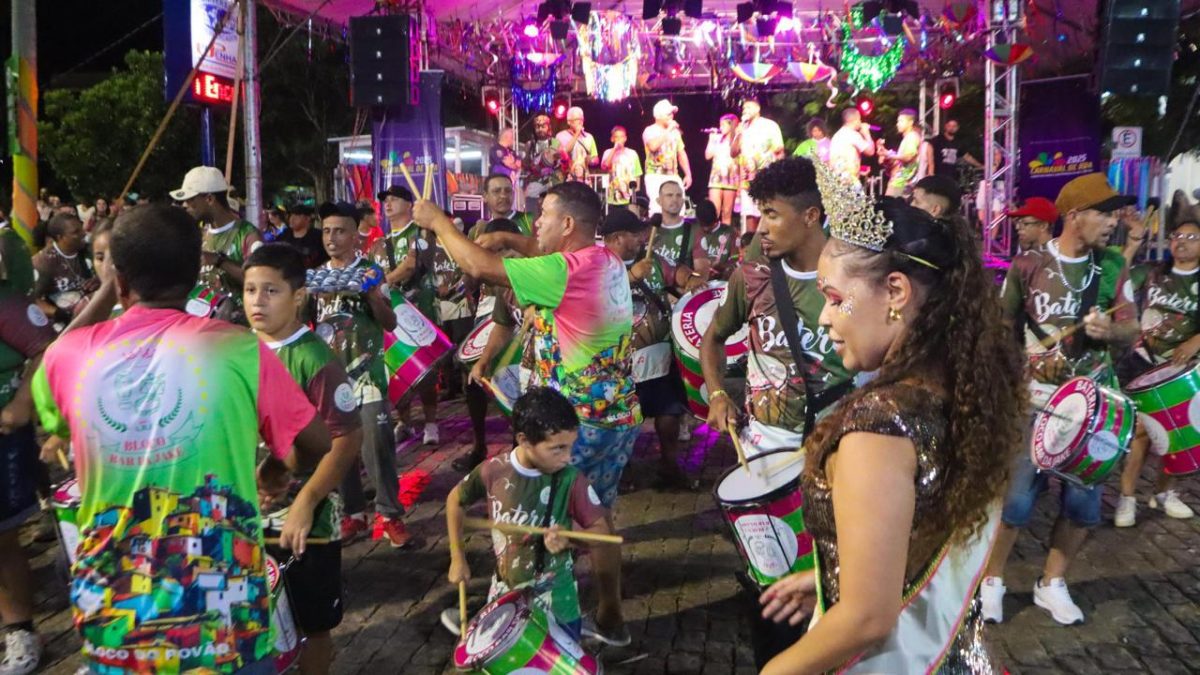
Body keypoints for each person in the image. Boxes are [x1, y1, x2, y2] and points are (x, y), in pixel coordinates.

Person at [32, 204, 329, 674]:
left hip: (115, 618)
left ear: (120, 278)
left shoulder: (68, 357)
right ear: (194, 277)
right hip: (227, 625)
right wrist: (277, 465)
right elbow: (316, 443)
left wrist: (113, 283)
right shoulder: (236, 348)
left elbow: (53, 374)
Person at [758, 172, 1024, 674]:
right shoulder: (966, 393)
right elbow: (918, 530)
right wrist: (828, 575)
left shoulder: (878, 425)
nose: (824, 319)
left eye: (835, 299)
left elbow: (867, 619)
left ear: (896, 291)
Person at [414, 182, 635, 645]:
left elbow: (476, 266)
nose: (536, 224)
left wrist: (438, 221)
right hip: (611, 416)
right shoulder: (604, 260)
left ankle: (527, 618)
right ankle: (610, 618)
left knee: (544, 521)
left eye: (545, 216)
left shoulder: (566, 270)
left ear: (569, 225)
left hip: (573, 428)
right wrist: (513, 242)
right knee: (595, 520)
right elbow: (533, 250)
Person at [986, 173, 1139, 625]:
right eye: (1104, 212)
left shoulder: (1113, 265)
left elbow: (1132, 327)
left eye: (1113, 213)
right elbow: (1000, 333)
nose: (1113, 221)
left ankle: (1051, 584)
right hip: (1036, 403)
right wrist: (1025, 366)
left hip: (1097, 409)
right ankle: (992, 581)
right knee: (1015, 502)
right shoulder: (1026, 266)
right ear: (1074, 216)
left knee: (1082, 506)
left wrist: (1111, 332)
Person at [243, 244, 362, 674]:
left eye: (271, 290)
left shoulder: (315, 358)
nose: (257, 300)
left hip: (307, 525)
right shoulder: (236, 352)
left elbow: (347, 439)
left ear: (298, 297)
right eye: (250, 289)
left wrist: (306, 501)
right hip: (246, 516)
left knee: (314, 624)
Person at [445, 387, 625, 642]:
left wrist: (571, 537)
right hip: (505, 597)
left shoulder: (570, 479)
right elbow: (455, 501)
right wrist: (457, 557)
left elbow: (601, 533)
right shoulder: (493, 471)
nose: (567, 457)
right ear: (524, 440)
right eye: (557, 449)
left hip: (558, 601)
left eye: (570, 447)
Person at [702, 157, 852, 456]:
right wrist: (718, 394)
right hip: (762, 446)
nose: (762, 230)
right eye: (761, 215)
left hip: (836, 444)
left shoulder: (853, 281)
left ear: (810, 216)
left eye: (772, 215)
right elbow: (713, 338)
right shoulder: (752, 277)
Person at [312, 202, 413, 547]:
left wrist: (373, 298)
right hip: (330, 376)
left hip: (368, 374)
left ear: (356, 236)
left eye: (339, 231)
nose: (331, 238)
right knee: (338, 448)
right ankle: (354, 513)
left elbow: (390, 322)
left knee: (377, 445)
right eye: (326, 231)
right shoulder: (317, 275)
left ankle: (389, 514)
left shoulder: (372, 272)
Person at [1114, 217, 1200, 527]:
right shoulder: (1152, 273)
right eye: (1177, 234)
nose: (1182, 241)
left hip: (1181, 370)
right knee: (1140, 433)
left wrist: (1195, 340)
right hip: (1142, 364)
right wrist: (1132, 245)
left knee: (1176, 434)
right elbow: (1118, 278)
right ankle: (1126, 498)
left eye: (1192, 237)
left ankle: (1165, 493)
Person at [603, 209, 694, 488]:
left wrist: (687, 277)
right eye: (635, 234)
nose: (643, 237)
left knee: (669, 414)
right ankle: (622, 471)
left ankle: (669, 466)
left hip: (659, 356)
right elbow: (593, 294)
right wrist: (629, 277)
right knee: (621, 419)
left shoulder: (652, 261)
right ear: (617, 238)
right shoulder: (598, 263)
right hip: (619, 361)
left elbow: (676, 276)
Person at [0, 271, 55, 675]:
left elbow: (47, 350)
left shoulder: (7, 303)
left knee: (3, 540)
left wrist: (22, 402)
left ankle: (19, 627)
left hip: (4, 439)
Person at [368, 185, 443, 445]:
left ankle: (432, 422)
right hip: (391, 314)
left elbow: (412, 264)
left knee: (426, 369)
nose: (387, 204)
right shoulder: (379, 243)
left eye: (393, 199)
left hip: (419, 311)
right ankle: (405, 420)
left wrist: (384, 282)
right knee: (396, 366)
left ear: (408, 204)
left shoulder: (421, 233)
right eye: (384, 200)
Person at [452, 218, 526, 472]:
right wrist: (482, 362)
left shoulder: (536, 274)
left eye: (505, 251)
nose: (500, 260)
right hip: (504, 338)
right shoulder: (507, 287)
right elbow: (502, 326)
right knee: (477, 382)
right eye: (493, 255)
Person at [172, 166, 262, 316]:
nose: (185, 205)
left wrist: (219, 261)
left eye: (191, 200)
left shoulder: (247, 235)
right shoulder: (199, 234)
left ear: (209, 199)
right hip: (204, 327)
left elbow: (260, 282)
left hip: (239, 328)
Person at [732, 97, 785, 233]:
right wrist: (737, 135)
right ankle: (751, 248)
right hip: (746, 179)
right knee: (749, 213)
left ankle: (767, 247)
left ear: (758, 109)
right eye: (744, 108)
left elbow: (779, 150)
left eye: (749, 107)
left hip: (766, 177)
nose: (746, 111)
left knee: (766, 211)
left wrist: (779, 174)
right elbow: (733, 153)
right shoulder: (742, 129)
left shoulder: (769, 126)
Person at [31, 212, 94, 326]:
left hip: (95, 311)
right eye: (76, 232)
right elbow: (32, 300)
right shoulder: (43, 262)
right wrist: (60, 314)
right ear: (60, 237)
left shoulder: (88, 249)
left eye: (81, 228)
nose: (83, 234)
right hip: (67, 324)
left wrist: (99, 279)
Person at [643, 99, 693, 213]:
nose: (671, 116)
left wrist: (688, 174)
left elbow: (681, 152)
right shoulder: (650, 130)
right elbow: (653, 146)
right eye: (668, 114)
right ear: (658, 116)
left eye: (672, 113)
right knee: (658, 209)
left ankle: (677, 231)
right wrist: (669, 130)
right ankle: (658, 231)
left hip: (673, 175)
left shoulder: (675, 133)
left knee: (679, 208)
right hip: (655, 175)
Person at [706, 114, 740, 226]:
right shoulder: (716, 139)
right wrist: (711, 140)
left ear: (731, 125)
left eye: (723, 125)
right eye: (720, 125)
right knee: (713, 212)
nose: (720, 127)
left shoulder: (736, 140)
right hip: (716, 179)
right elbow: (708, 156)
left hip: (731, 180)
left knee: (726, 213)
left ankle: (725, 240)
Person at [523, 114, 565, 206]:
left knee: (555, 205)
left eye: (543, 126)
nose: (540, 129)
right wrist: (531, 167)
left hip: (553, 180)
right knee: (530, 201)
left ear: (548, 127)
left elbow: (562, 162)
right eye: (537, 127)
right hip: (536, 179)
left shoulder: (555, 142)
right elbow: (525, 164)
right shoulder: (530, 144)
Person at [693, 199, 739, 282]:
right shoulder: (693, 231)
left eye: (709, 225)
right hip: (697, 280)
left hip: (721, 280)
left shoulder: (730, 233)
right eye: (703, 225)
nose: (705, 228)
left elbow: (736, 258)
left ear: (716, 218)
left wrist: (723, 267)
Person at [878, 108, 921, 197]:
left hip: (902, 183)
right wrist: (885, 151)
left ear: (910, 122)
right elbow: (901, 158)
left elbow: (908, 157)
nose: (898, 124)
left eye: (901, 121)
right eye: (898, 121)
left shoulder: (912, 137)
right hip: (899, 182)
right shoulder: (907, 138)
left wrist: (888, 154)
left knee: (890, 208)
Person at [601, 126, 643, 210]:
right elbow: (605, 166)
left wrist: (636, 193)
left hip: (629, 197)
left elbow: (637, 175)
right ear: (612, 139)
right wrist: (614, 149)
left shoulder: (632, 153)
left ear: (625, 138)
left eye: (622, 137)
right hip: (613, 197)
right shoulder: (608, 152)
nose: (619, 139)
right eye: (616, 137)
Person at [828, 107, 875, 182]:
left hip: (837, 180)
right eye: (860, 119)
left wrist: (859, 171)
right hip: (849, 182)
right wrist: (867, 133)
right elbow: (870, 151)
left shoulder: (837, 135)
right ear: (856, 120)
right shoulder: (853, 135)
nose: (860, 122)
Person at [278, 203, 328, 269]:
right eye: (291, 215)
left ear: (307, 218)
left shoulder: (318, 236)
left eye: (297, 216)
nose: (292, 219)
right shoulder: (284, 235)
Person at [556, 107, 599, 183]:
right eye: (577, 119)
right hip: (567, 179)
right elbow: (564, 152)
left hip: (584, 179)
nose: (580, 122)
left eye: (582, 119)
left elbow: (595, 158)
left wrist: (592, 160)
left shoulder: (589, 137)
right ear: (569, 122)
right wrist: (577, 133)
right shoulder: (560, 136)